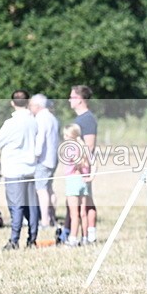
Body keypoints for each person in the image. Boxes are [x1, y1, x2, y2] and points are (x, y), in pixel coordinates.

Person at [0, 90, 39, 250]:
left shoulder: (11, 123)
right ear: (28, 101)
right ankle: (32, 239)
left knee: (16, 206)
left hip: (14, 170)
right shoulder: (33, 121)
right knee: (31, 206)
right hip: (30, 169)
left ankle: (14, 240)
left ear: (12, 103)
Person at [68, 85, 98, 244]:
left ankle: (90, 234)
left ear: (80, 99)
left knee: (87, 202)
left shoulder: (87, 119)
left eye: (72, 97)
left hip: (83, 169)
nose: (69, 100)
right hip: (77, 169)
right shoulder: (79, 119)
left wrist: (81, 165)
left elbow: (90, 145)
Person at [30, 93, 59, 228]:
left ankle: (45, 220)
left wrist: (34, 156)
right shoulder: (53, 118)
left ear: (37, 106)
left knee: (41, 190)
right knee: (49, 189)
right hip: (53, 158)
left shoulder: (41, 119)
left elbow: (40, 140)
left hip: (43, 160)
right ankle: (52, 217)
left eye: (31, 105)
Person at [61, 124, 92, 247]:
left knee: (74, 214)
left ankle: (73, 238)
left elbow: (75, 162)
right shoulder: (84, 147)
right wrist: (90, 177)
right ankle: (85, 238)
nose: (64, 138)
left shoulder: (70, 148)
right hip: (83, 182)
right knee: (83, 213)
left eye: (66, 135)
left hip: (73, 181)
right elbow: (92, 162)